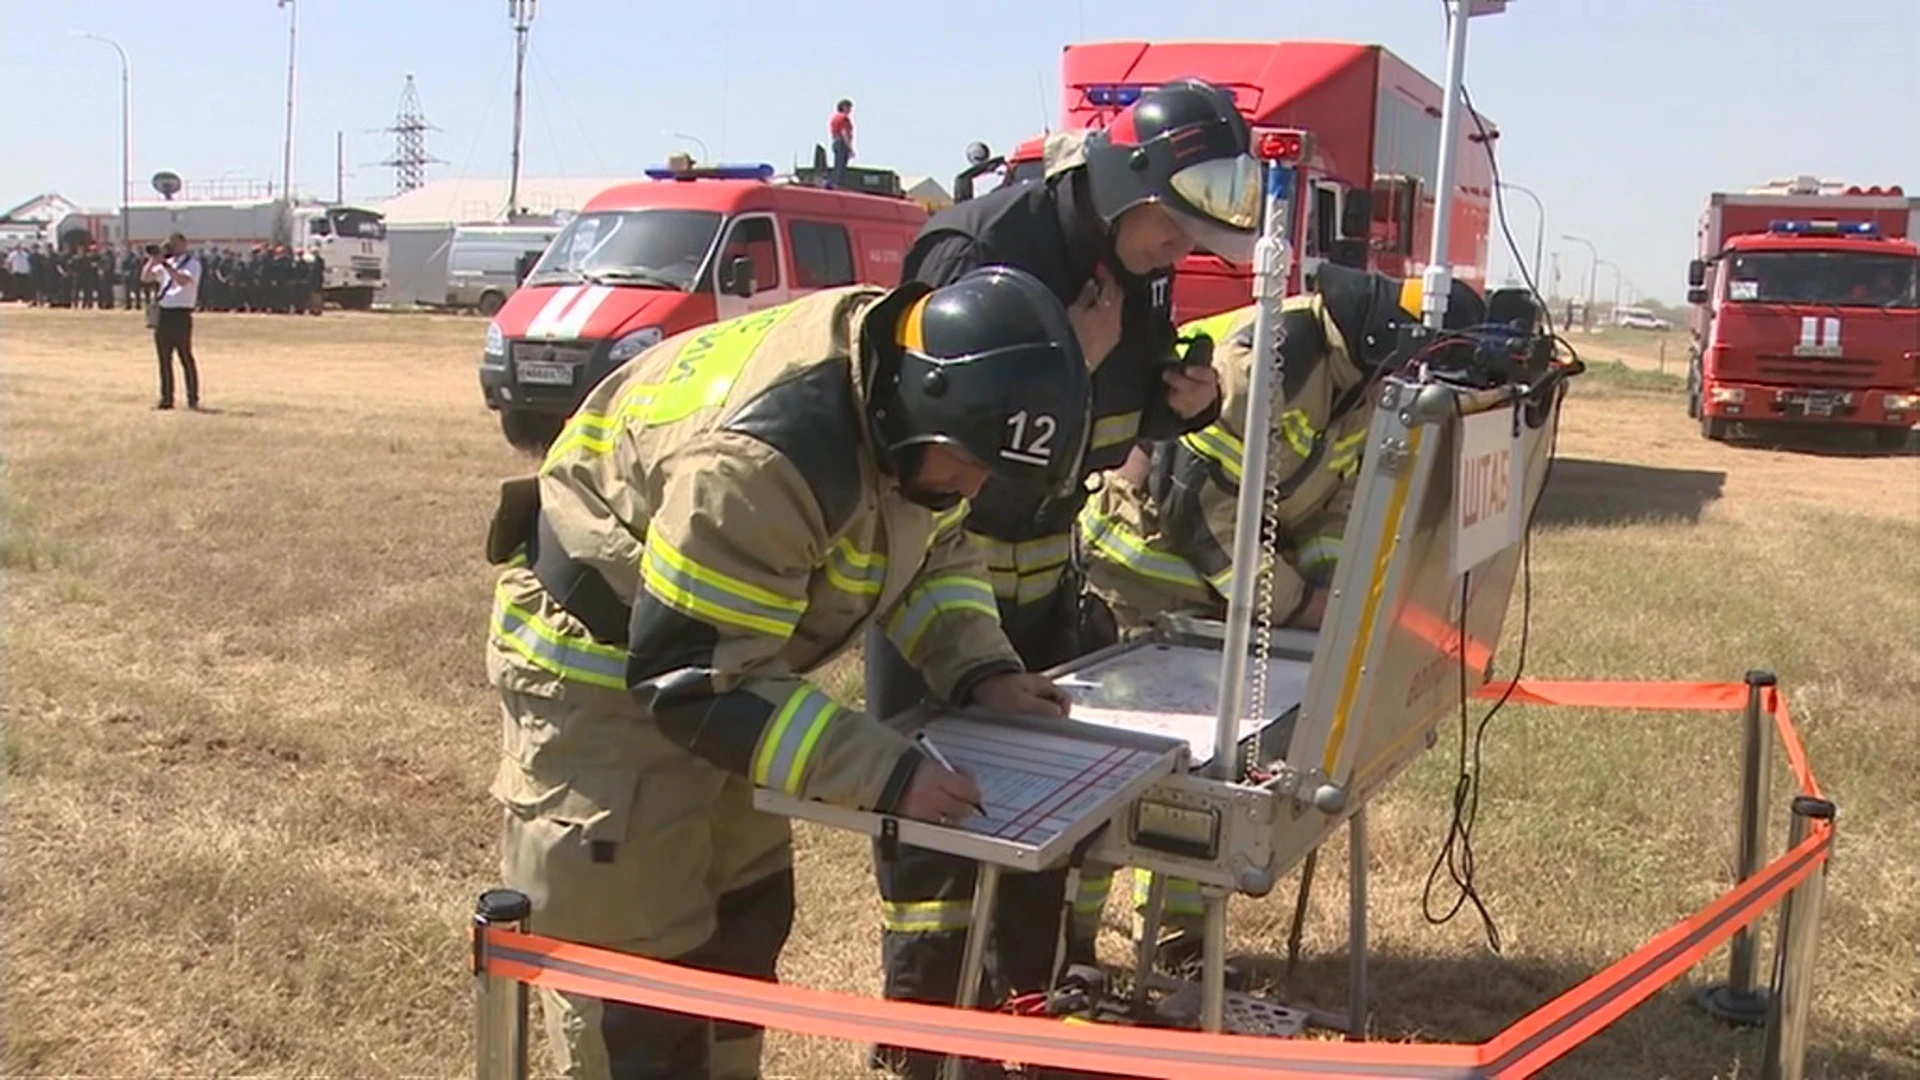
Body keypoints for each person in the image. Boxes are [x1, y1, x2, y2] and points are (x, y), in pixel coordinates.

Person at [484, 264, 1092, 1080]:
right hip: (607, 673)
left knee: (744, 920)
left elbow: (926, 548)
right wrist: (887, 774)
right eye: (968, 465)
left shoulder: (909, 395)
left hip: (728, 664)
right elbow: (691, 679)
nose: (973, 489)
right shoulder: (766, 459)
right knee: (639, 982)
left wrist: (980, 669)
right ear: (925, 410)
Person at [866, 77, 1259, 1080]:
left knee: (1045, 820)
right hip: (938, 595)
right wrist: (1074, 365)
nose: (1179, 257)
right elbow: (945, 436)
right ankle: (921, 1046)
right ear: (1130, 183)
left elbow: (1104, 432)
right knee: (935, 831)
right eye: (1173, 233)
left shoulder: (1130, 264)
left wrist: (1186, 402)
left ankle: (1026, 1027)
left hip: (1046, 587)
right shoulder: (979, 249)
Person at [1077, 265, 1491, 940]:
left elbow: (1332, 509)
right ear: (1398, 345)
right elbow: (1193, 507)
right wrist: (1300, 609)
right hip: (1141, 580)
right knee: (1116, 777)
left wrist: (1337, 599)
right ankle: (1073, 946)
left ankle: (1180, 938)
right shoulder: (1269, 362)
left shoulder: (1364, 383)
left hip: (1223, 602)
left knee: (1205, 779)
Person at [143, 232, 203, 411]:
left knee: (185, 357)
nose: (173, 247)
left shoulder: (192, 264)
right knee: (164, 358)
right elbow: (146, 278)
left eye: (175, 244)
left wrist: (165, 265)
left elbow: (183, 281)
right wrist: (153, 259)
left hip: (181, 313)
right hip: (164, 313)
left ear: (184, 244)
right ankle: (166, 398)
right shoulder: (166, 263)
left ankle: (192, 398)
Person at [829, 98, 855, 188]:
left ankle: (834, 182)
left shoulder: (834, 118)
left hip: (835, 141)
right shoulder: (843, 118)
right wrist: (850, 148)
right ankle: (837, 184)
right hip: (841, 142)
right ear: (843, 107)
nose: (850, 110)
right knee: (841, 166)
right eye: (848, 107)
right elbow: (844, 132)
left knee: (837, 164)